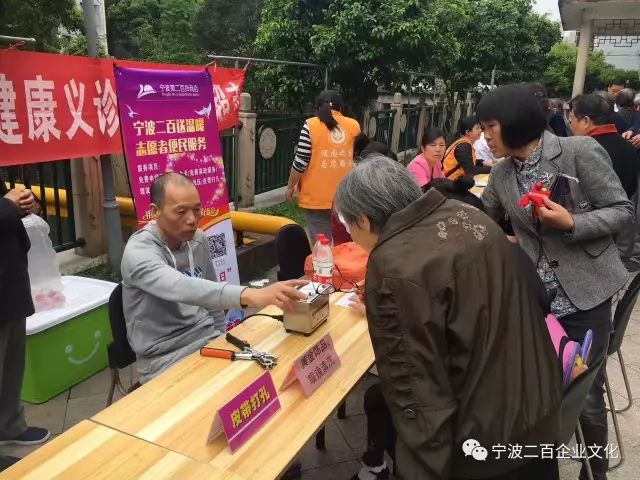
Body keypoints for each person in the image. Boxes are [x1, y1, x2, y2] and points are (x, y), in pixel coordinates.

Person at [338, 156, 562, 480]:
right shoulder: (467, 215)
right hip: (538, 408)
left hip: (484, 444)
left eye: (348, 226)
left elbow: (414, 388)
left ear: (363, 219)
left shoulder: (393, 265)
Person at [478, 84, 633, 480]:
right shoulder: (501, 173)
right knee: (534, 385)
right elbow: (482, 218)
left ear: (514, 121)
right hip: (536, 301)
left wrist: (571, 223)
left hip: (585, 294)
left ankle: (595, 471)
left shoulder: (578, 151)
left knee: (585, 392)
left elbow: (621, 211)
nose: (485, 136)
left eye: (490, 126)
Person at [121, 173, 308, 383]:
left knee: (276, 370)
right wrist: (252, 295)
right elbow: (180, 286)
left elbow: (211, 299)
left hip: (207, 339)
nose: (192, 219)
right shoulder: (139, 252)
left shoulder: (198, 239)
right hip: (163, 358)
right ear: (155, 211)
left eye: (196, 209)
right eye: (181, 212)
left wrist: (222, 337)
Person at [0, 180, 50, 468]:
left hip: (9, 278)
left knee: (11, 363)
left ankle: (10, 424)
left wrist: (22, 206)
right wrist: (9, 205)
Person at [285, 90, 361, 242]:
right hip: (346, 197)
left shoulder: (311, 125)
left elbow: (300, 162)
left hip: (316, 199)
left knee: (322, 246)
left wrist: (290, 186)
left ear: (318, 107)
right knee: (345, 244)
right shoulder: (354, 126)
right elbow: (358, 159)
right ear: (341, 108)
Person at [569, 93, 639, 199]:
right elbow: (632, 187)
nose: (571, 125)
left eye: (572, 119)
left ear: (586, 121)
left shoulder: (581, 150)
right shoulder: (629, 146)